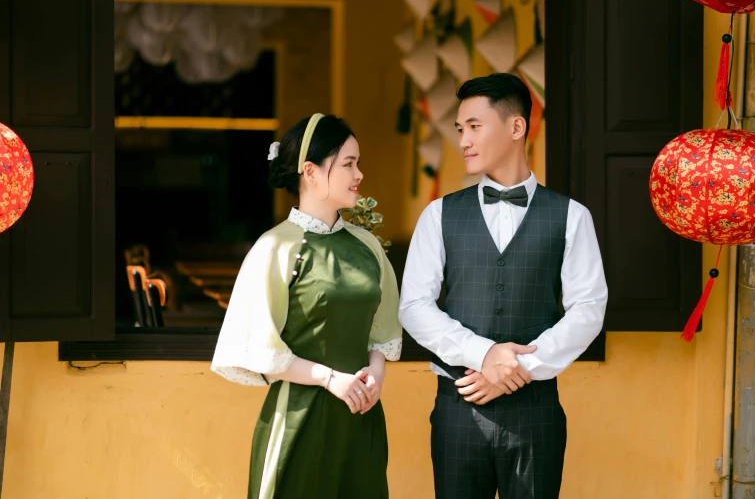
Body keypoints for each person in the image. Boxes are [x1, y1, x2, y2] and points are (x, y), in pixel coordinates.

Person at [399, 73, 608, 499]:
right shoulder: (438, 215)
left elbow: (588, 309)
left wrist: (518, 370)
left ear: (517, 128)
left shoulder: (571, 216)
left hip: (536, 412)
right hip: (458, 408)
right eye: (460, 129)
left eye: (475, 126)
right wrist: (483, 355)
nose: (463, 141)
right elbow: (414, 305)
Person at [212, 113, 402, 499]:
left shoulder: (367, 247)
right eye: (348, 163)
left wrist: (376, 375)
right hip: (300, 418)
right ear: (311, 173)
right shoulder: (276, 247)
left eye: (357, 162)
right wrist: (330, 378)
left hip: (360, 419)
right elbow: (262, 348)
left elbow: (382, 330)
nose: (359, 173)